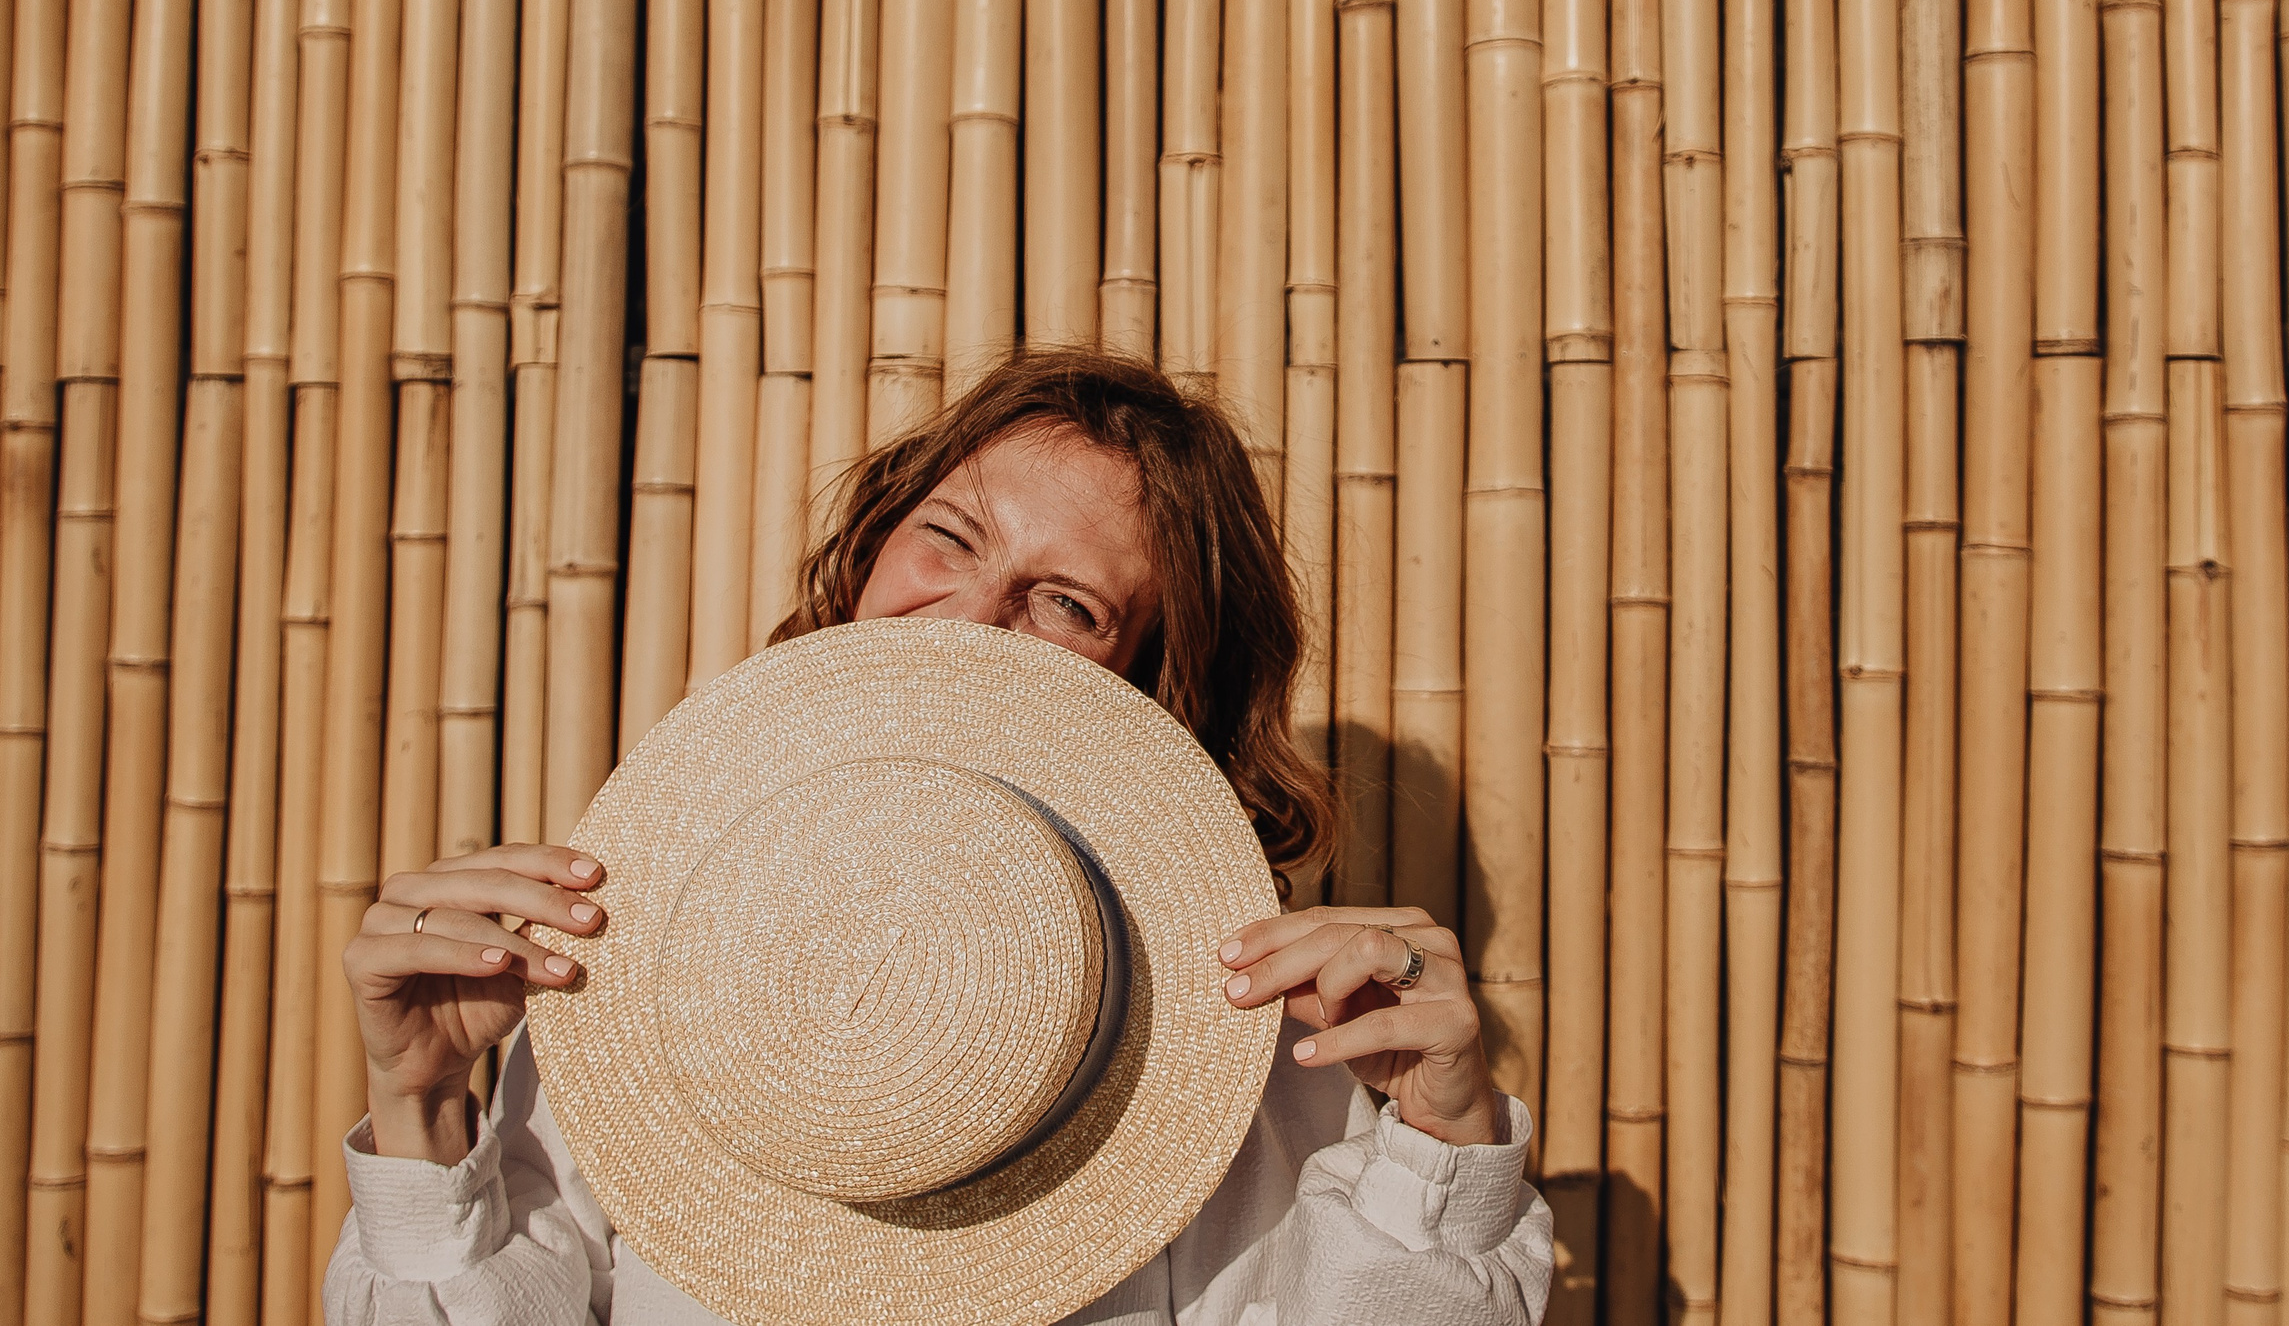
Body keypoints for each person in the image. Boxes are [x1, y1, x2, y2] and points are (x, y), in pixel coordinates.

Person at [326, 349, 1555, 1325]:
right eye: (950, 537)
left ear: (1155, 694)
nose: (969, 619)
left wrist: (1432, 1172)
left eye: (1067, 602)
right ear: (871, 548)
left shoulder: (1263, 1057)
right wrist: (427, 1117)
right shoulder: (645, 955)